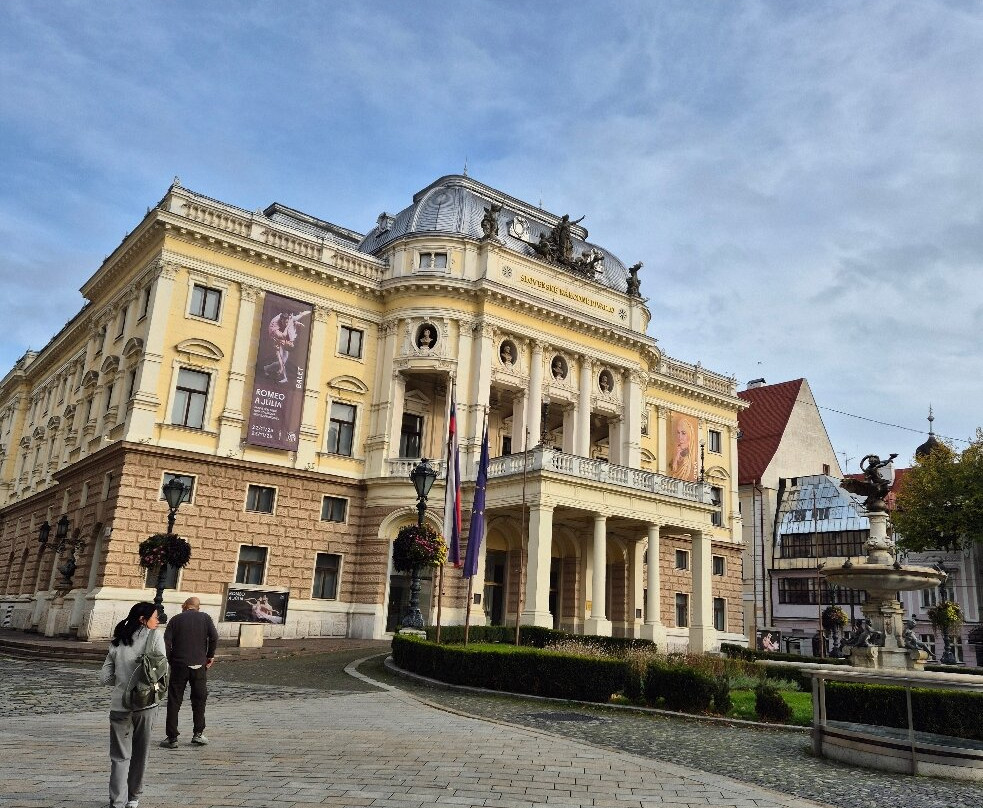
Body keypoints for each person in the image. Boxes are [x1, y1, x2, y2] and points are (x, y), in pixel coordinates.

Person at [100, 601, 167, 808]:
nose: (157, 621)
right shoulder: (155, 636)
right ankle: (134, 798)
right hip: (146, 704)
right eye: (155, 617)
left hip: (119, 705)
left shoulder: (117, 641)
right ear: (143, 619)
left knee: (119, 756)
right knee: (141, 753)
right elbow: (163, 668)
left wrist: (122, 682)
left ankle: (117, 801)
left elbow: (104, 678)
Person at [161, 597, 218, 749]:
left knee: (174, 700)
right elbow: (214, 637)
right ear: (198, 607)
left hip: (179, 664)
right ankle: (198, 734)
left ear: (184, 606)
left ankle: (172, 737)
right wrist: (209, 656)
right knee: (199, 699)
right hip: (199, 665)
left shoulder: (175, 620)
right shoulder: (205, 618)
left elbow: (166, 642)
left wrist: (170, 659)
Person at [669, 414, 697, 481]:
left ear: (689, 435)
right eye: (678, 432)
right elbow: (673, 469)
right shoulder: (678, 449)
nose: (680, 436)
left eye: (683, 433)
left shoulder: (688, 454)